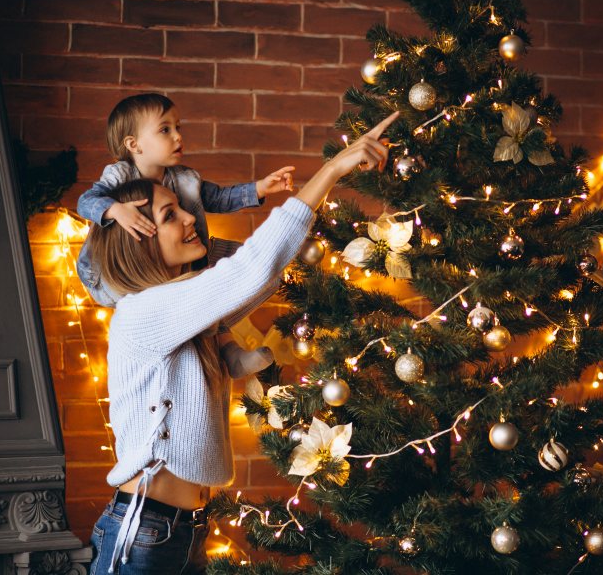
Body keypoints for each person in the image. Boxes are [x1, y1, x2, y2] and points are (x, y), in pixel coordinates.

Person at [85, 111, 399, 575]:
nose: (192, 217)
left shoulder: (184, 310)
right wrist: (331, 170)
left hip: (180, 528)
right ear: (139, 241)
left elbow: (254, 280)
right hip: (144, 533)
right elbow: (251, 268)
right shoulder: (143, 312)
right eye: (170, 215)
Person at [76, 93, 295, 379]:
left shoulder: (184, 178)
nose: (178, 136)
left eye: (179, 127)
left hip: (182, 262)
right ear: (134, 144)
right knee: (188, 303)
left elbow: (217, 198)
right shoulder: (120, 175)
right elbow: (86, 201)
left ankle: (229, 352)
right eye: (165, 130)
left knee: (228, 275)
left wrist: (259, 189)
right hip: (122, 273)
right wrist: (115, 209)